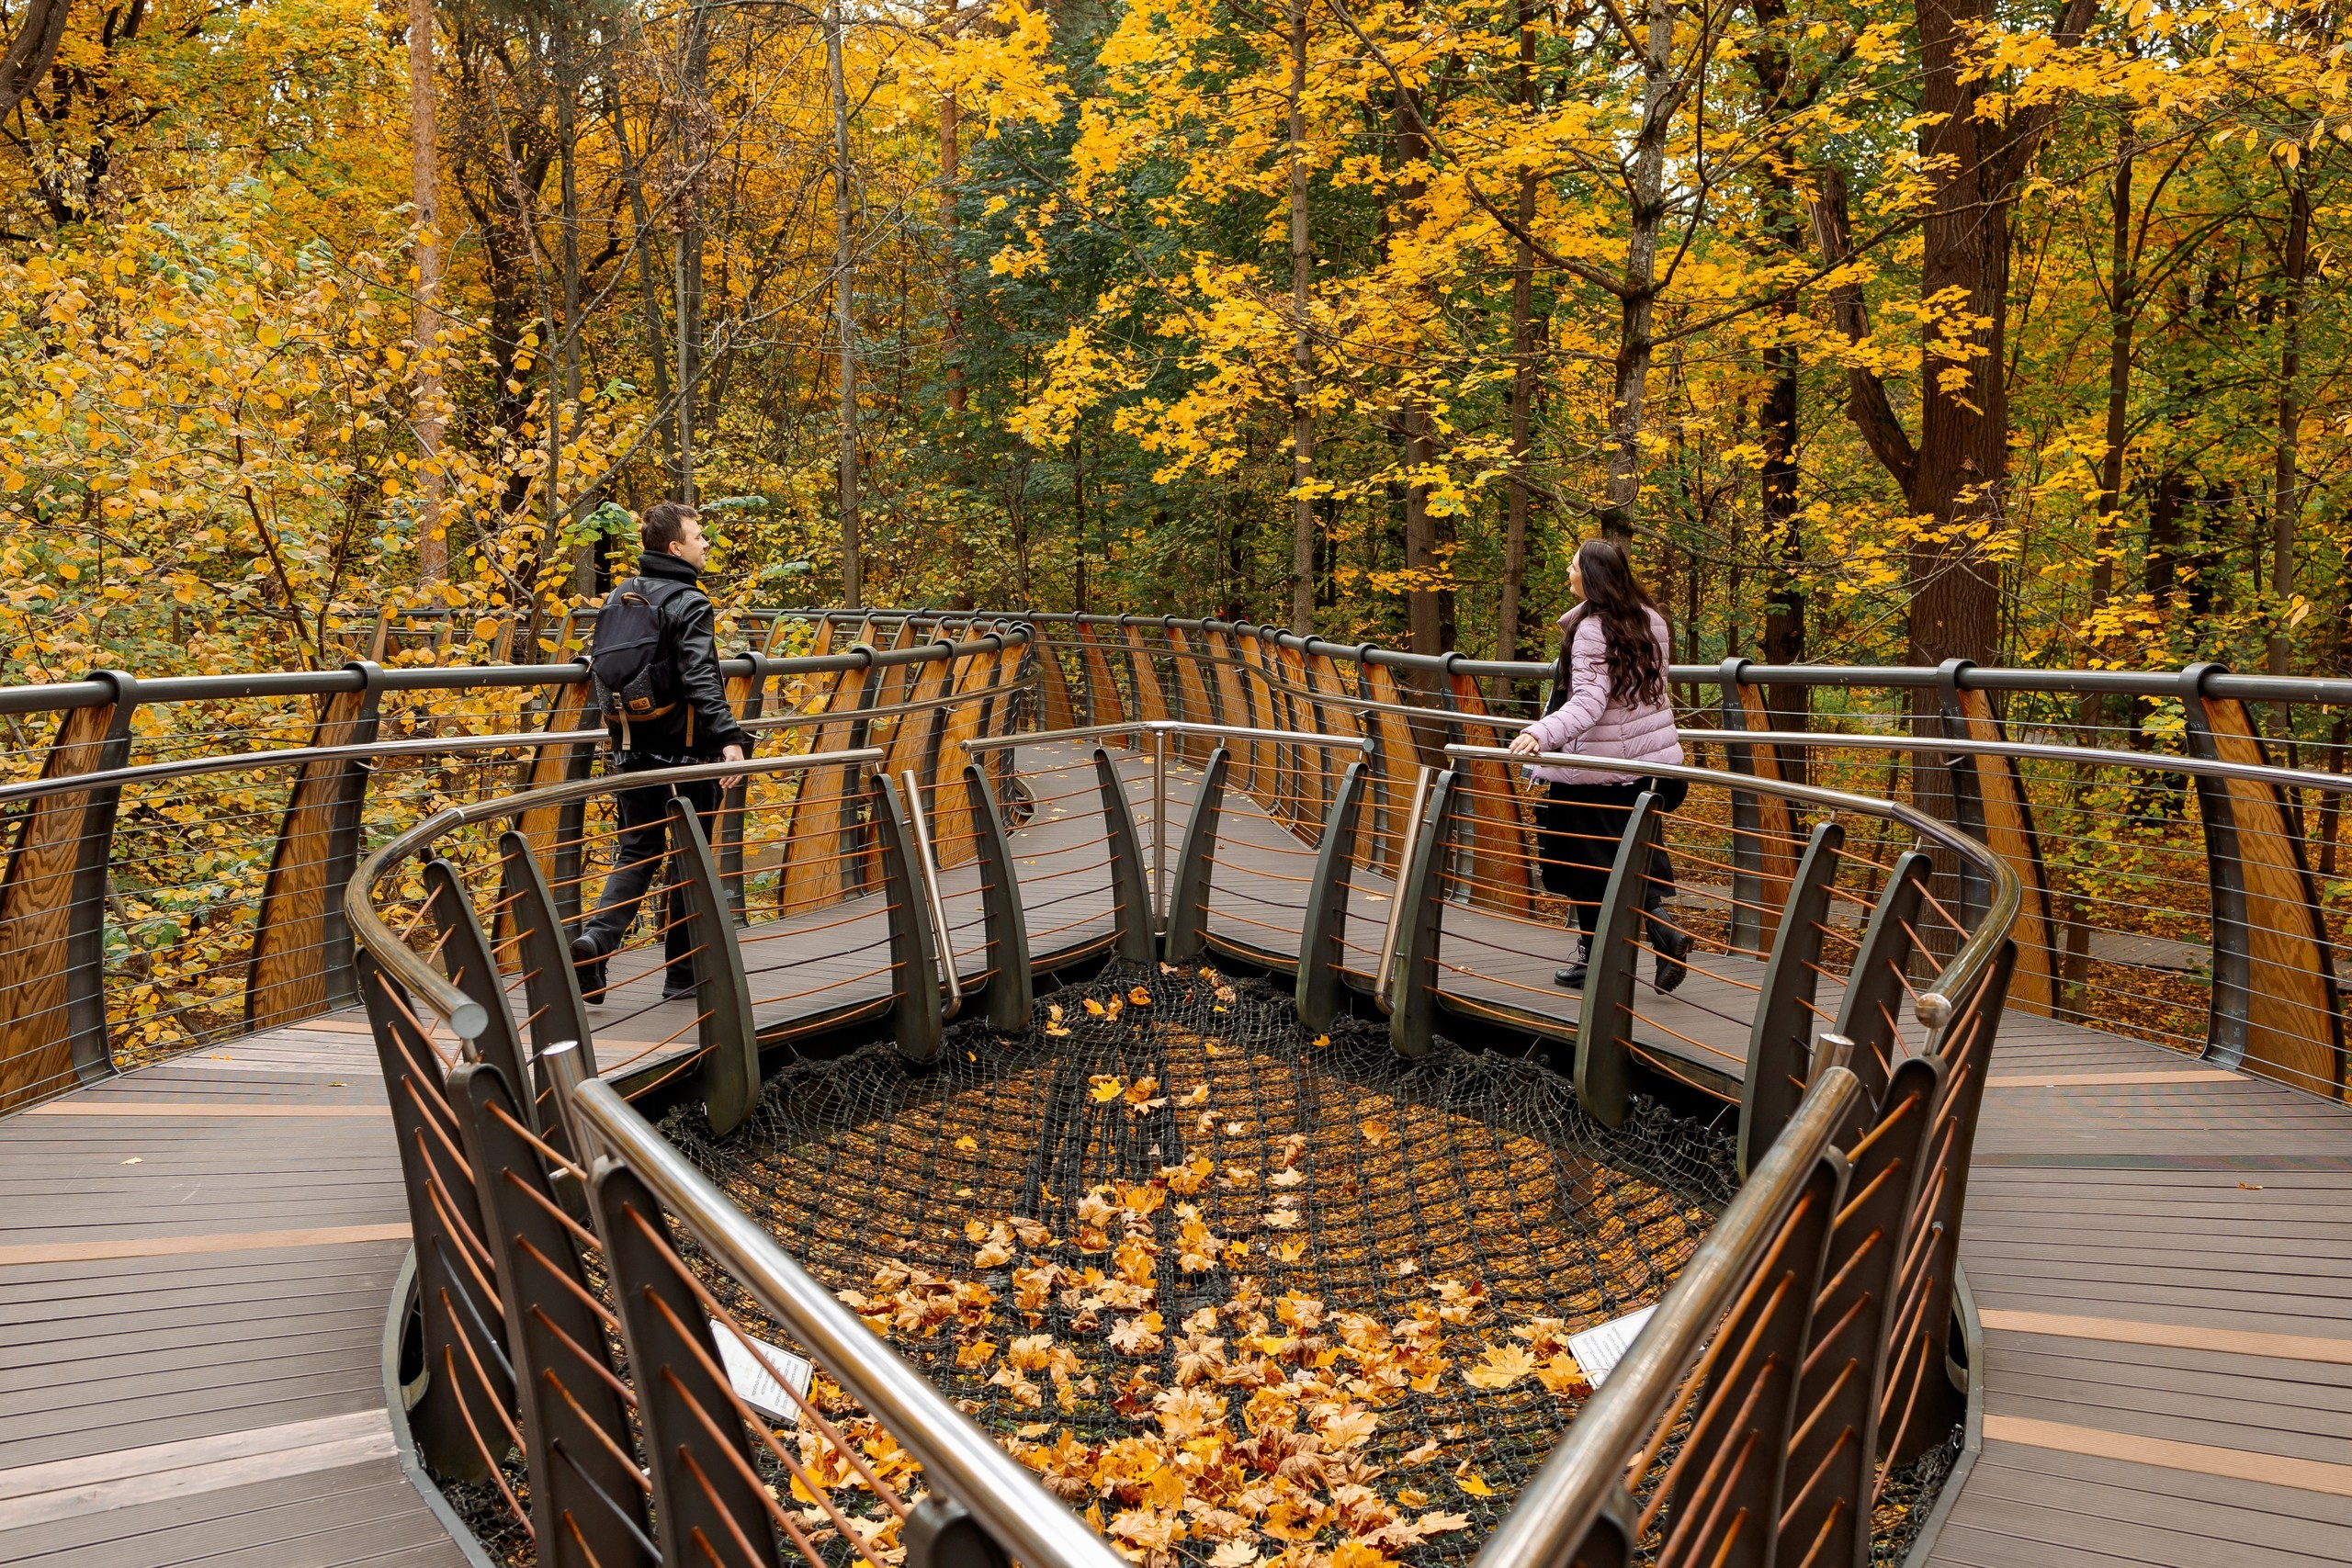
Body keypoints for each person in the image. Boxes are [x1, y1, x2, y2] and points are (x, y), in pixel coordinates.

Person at [571, 502, 748, 1003]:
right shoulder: (690, 601)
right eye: (698, 537)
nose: (705, 543)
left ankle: (596, 943)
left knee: (637, 850)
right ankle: (680, 977)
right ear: (675, 548)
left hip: (630, 744)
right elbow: (700, 677)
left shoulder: (620, 596)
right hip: (686, 750)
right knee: (689, 856)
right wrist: (728, 738)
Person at [1507, 537, 1693, 993]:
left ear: (1591, 576)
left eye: (1572, 567)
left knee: (1585, 863)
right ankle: (1655, 935)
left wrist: (1540, 734)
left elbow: (1589, 703)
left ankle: (1609, 955)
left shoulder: (1593, 629)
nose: (1567, 574)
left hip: (1599, 772)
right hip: (1650, 769)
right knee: (1625, 859)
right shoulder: (1651, 621)